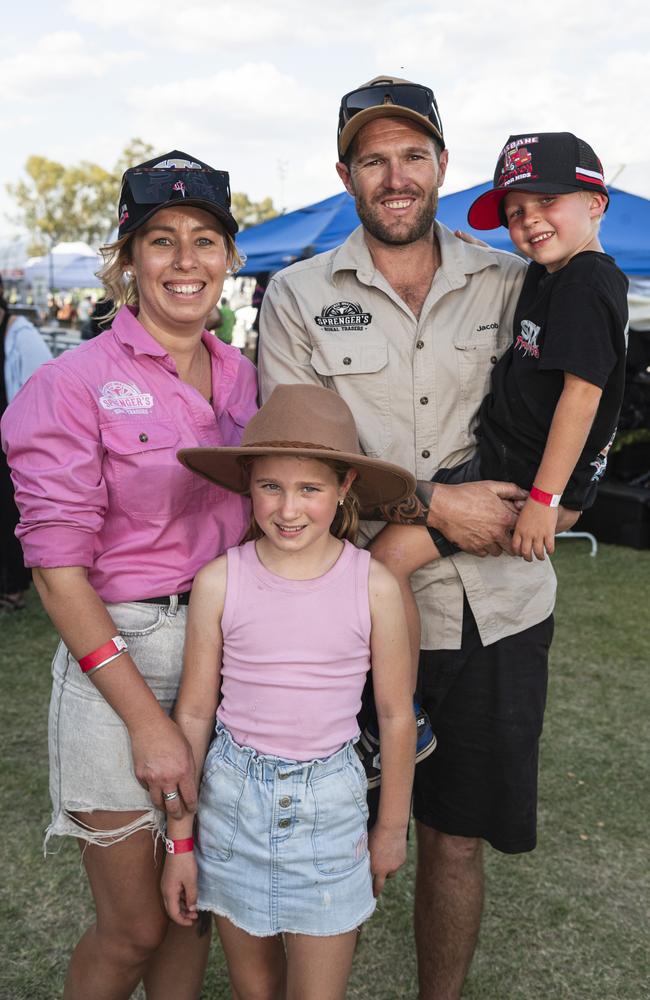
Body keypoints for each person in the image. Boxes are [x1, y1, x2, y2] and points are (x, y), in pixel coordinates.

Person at [258, 76, 579, 1000]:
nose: (394, 176)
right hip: (345, 615)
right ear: (345, 173)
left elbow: (561, 425)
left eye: (412, 155)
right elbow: (298, 470)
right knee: (321, 833)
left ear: (441, 164)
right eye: (373, 158)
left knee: (453, 839)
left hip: (498, 613)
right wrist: (435, 508)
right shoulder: (297, 295)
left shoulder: (514, 277)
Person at [1, 149, 258, 1000]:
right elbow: (56, 571)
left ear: (229, 258)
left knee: (195, 909)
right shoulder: (70, 384)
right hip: (119, 654)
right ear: (127, 261)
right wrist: (149, 723)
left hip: (226, 654)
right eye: (160, 240)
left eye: (205, 240)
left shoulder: (247, 379)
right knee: (135, 926)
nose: (186, 261)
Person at [161, 383, 416, 1000]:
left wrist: (389, 830)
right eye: (271, 486)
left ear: (345, 486)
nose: (288, 509)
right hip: (231, 806)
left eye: (310, 489)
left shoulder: (374, 586)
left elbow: (396, 715)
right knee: (255, 988)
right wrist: (180, 841)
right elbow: (194, 712)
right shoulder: (220, 581)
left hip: (329, 811)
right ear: (248, 483)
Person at [372, 131, 628, 673]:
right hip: (508, 462)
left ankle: (400, 703)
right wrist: (488, 256)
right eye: (515, 212)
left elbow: (582, 396)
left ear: (596, 203)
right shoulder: (555, 273)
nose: (529, 220)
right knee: (390, 556)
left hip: (522, 479)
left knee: (387, 560)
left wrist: (544, 499)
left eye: (546, 202)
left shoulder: (587, 285)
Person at [0, 275, 51, 609]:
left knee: (8, 515)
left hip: (11, 448)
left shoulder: (22, 335)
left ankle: (14, 588)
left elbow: (41, 399)